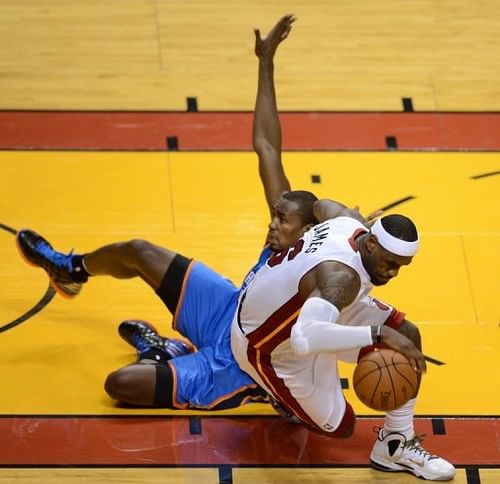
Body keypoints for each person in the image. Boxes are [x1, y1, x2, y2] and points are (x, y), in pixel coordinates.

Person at [16, 15, 454, 481]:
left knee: (121, 384)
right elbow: (267, 145)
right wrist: (265, 64)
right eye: (275, 215)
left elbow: (310, 331)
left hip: (246, 361)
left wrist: (377, 331)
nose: (272, 225)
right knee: (140, 250)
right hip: (230, 308)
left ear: (302, 227)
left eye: (281, 220)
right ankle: (72, 270)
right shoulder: (305, 230)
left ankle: (196, 364)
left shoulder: (326, 258)